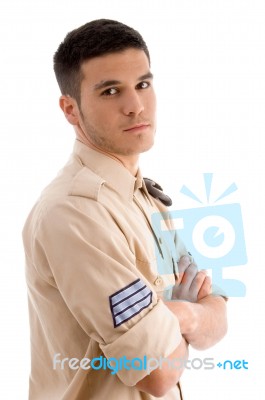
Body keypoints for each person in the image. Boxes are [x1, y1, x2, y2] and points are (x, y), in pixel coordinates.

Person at [22, 19, 227, 400]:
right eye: (111, 91)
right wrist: (187, 318)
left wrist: (182, 315)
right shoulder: (73, 214)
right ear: (70, 109)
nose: (135, 106)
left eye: (143, 85)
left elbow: (218, 318)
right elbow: (155, 372)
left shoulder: (148, 198)